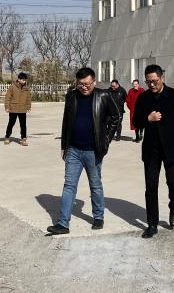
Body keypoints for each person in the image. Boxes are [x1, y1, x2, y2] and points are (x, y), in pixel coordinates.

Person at [46, 67, 120, 235]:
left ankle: (98, 216)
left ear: (94, 82)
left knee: (95, 185)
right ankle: (63, 223)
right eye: (80, 84)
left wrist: (106, 139)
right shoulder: (71, 96)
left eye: (87, 84)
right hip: (73, 149)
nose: (84, 87)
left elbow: (116, 117)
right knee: (69, 186)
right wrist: (64, 145)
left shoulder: (103, 96)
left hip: (93, 151)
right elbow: (66, 121)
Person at [132, 64, 174, 239]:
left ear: (162, 78)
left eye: (155, 81)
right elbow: (136, 121)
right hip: (151, 150)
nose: (152, 84)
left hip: (172, 148)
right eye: (148, 82)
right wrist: (148, 118)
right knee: (151, 187)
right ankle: (152, 224)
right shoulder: (143, 98)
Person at [3, 72, 31, 146]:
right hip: (13, 109)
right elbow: (7, 98)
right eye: (23, 80)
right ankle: (7, 137)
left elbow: (28, 98)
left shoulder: (26, 88)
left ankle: (23, 139)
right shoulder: (12, 87)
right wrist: (7, 107)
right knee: (11, 123)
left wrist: (28, 107)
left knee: (23, 125)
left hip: (22, 109)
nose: (24, 81)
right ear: (18, 79)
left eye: (25, 80)